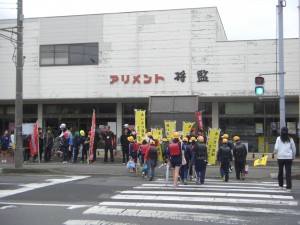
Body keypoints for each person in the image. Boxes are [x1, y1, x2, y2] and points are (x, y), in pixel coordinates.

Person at [274, 127, 296, 192]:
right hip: (288, 157)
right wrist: (293, 156)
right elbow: (293, 149)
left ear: (281, 132)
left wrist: (275, 152)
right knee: (288, 172)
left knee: (280, 171)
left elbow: (276, 148)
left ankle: (281, 185)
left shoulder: (278, 139)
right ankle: (288, 187)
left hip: (280, 157)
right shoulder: (290, 139)